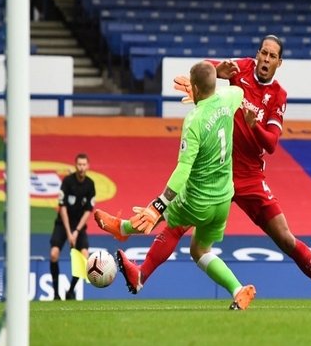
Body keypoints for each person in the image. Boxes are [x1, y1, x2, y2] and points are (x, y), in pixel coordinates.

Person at [96, 35, 311, 309]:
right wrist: (204, 79)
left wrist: (253, 124)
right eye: (263, 52)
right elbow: (210, 71)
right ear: (257, 54)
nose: (265, 59)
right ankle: (133, 253)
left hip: (250, 178)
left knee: (285, 238)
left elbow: (271, 143)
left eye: (272, 56)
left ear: (279, 63)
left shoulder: (278, 96)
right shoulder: (243, 69)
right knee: (178, 223)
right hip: (218, 171)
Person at [98, 61, 256, 310]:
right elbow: (240, 91)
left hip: (199, 198)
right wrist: (216, 78)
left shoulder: (194, 120)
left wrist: (157, 206)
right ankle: (238, 290)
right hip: (224, 198)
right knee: (200, 250)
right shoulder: (230, 97)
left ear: (193, 87)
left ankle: (125, 233)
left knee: (171, 224)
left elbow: (183, 170)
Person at [49, 153, 96, 300]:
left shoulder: (90, 184)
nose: (81, 167)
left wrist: (76, 232)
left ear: (87, 166)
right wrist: (69, 233)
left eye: (84, 165)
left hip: (79, 227)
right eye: (79, 164)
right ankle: (56, 294)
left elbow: (88, 211)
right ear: (75, 165)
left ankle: (70, 291)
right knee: (54, 254)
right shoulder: (67, 182)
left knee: (84, 257)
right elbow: (62, 207)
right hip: (63, 224)